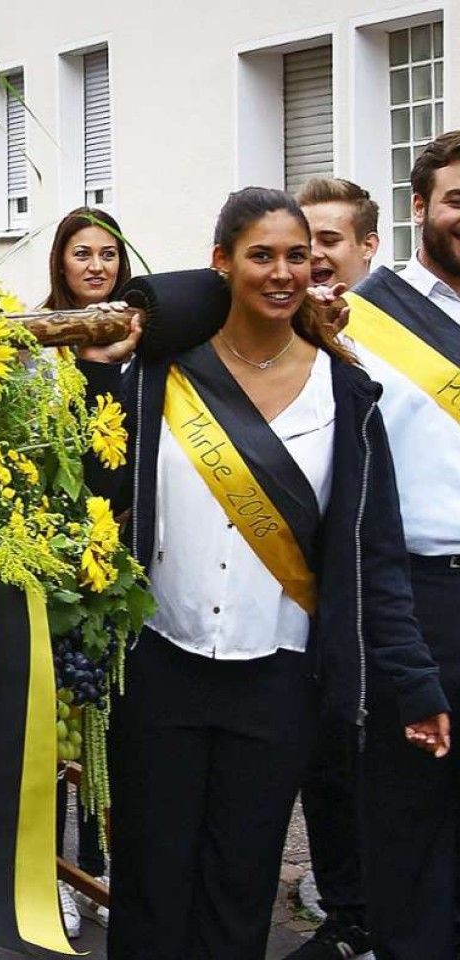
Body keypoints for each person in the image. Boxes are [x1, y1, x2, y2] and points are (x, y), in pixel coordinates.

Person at [78, 187, 449, 960]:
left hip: (279, 679)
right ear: (221, 263)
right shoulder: (161, 375)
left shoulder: (346, 390)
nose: (281, 272)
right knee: (152, 877)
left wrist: (411, 681)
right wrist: (117, 348)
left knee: (240, 884)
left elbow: (372, 555)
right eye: (260, 256)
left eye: (296, 257)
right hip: (160, 665)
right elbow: (96, 482)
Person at [338, 131, 460, 960]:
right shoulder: (364, 321)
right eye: (457, 200)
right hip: (420, 601)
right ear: (419, 207)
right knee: (413, 818)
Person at [279, 176, 381, 960]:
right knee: (329, 762)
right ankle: (345, 908)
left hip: (403, 585)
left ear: (368, 249)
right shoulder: (288, 337)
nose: (312, 257)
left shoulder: (398, 335)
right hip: (318, 593)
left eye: (328, 242)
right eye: (300, 240)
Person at [40, 206, 133, 938]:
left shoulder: (143, 342)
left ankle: (101, 862)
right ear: (60, 264)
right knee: (60, 729)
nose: (97, 265)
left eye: (108, 253)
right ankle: (51, 871)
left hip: (129, 555)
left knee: (111, 726)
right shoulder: (42, 345)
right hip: (59, 560)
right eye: (82, 253)